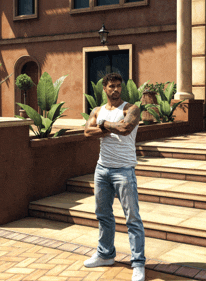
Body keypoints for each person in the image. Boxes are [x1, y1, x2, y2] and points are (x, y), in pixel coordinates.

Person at [84, 73, 145, 281]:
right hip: (102, 169)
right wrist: (110, 126)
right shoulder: (97, 110)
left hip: (124, 170)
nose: (116, 89)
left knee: (133, 219)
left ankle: (138, 263)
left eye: (119, 86)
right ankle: (105, 254)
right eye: (111, 86)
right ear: (104, 88)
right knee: (103, 215)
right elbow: (86, 132)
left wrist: (103, 126)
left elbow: (125, 128)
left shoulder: (132, 109)